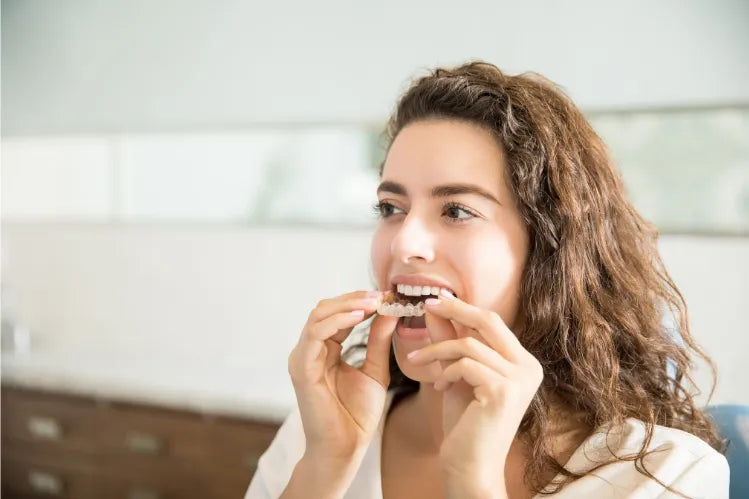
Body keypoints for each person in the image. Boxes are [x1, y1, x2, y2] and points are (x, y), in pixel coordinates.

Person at [245, 61, 729, 498]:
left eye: (456, 210)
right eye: (391, 208)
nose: (402, 243)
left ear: (549, 250)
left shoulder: (665, 476)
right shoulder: (318, 432)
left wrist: (472, 481)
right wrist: (323, 468)